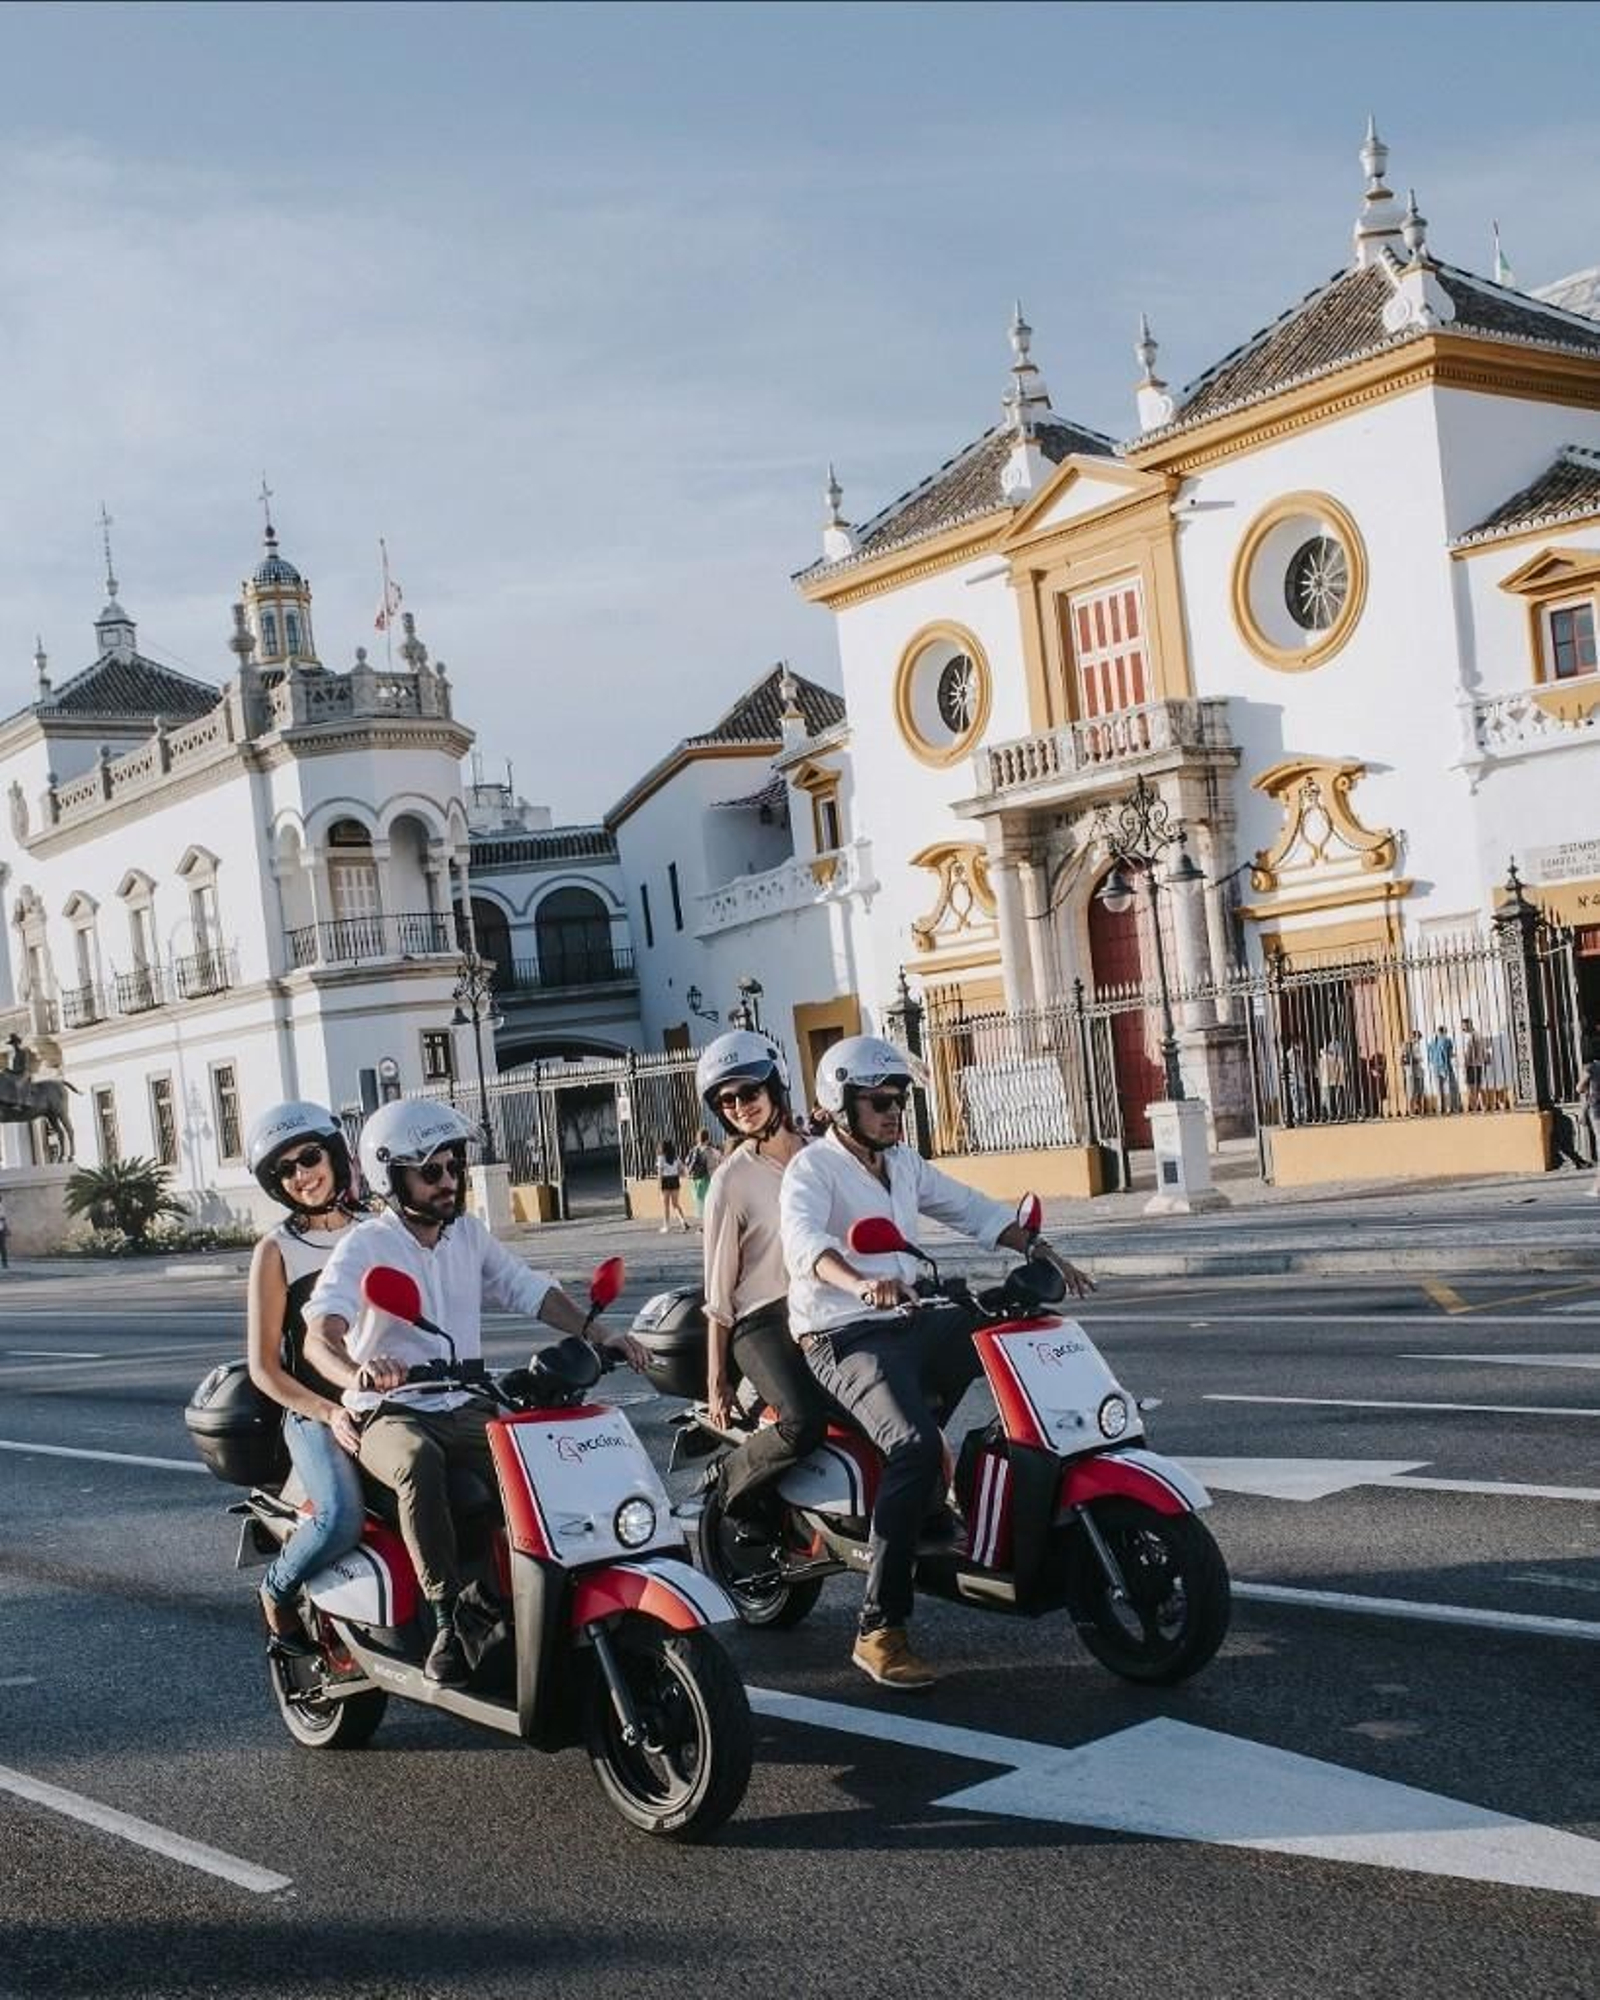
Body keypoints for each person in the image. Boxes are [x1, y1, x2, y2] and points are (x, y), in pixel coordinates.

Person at [779, 1033, 1093, 1692]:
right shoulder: (812, 1169)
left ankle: (980, 1498)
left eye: (899, 1100)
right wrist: (859, 1282)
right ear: (842, 1104)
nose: (894, 1112)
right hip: (841, 1333)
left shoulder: (902, 1164)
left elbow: (970, 1208)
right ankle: (879, 1628)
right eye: (879, 1101)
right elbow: (807, 1244)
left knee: (1005, 1331)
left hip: (905, 1319)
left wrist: (1039, 1249)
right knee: (915, 1447)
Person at [304, 1098, 646, 1685]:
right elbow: (320, 1336)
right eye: (430, 1171)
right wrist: (357, 1372)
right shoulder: (365, 1247)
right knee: (417, 1462)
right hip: (392, 1410)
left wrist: (599, 1332)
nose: (447, 1181)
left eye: (452, 1166)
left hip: (462, 1402)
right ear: (393, 1178)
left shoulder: (468, 1236)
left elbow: (526, 1289)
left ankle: (497, 1597)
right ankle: (444, 1620)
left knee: (542, 1466)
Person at [243, 1102, 370, 1655]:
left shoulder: (377, 1231)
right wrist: (327, 1411)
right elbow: (263, 1366)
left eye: (310, 1157)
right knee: (342, 1518)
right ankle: (276, 1591)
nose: (302, 1175)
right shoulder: (277, 1250)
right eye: (285, 1171)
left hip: (390, 1400)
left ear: (335, 1155)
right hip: (314, 1411)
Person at [696, 1031, 827, 1534]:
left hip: (823, 1308)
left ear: (776, 1087)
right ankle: (727, 1480)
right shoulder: (731, 1181)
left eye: (748, 1092)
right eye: (725, 1101)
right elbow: (719, 1295)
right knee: (802, 1420)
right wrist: (717, 1381)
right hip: (761, 1322)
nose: (739, 1107)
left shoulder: (822, 1156)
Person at [656, 1137, 691, 1233]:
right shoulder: (676, 1157)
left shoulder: (661, 1158)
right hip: (675, 1180)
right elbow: (682, 1167)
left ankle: (666, 1226)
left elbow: (660, 1172)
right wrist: (684, 1174)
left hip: (666, 1180)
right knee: (675, 1204)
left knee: (666, 1205)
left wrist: (659, 1185)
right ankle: (683, 1221)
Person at [687, 1127, 719, 1218]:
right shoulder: (710, 1151)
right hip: (706, 1179)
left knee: (699, 1203)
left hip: (695, 1179)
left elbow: (687, 1163)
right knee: (708, 1202)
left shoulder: (693, 1150)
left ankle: (704, 1224)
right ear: (708, 1138)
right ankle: (707, 1224)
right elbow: (712, 1166)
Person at [1427, 1023, 1460, 1114]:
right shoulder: (1447, 1040)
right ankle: (1450, 1108)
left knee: (1439, 1089)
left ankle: (1440, 1108)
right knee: (1448, 1088)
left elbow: (1430, 1057)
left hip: (1436, 1067)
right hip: (1446, 1067)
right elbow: (1449, 1053)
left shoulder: (1431, 1043)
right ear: (1444, 1031)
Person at [1460, 1016, 1487, 1112]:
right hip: (1478, 1064)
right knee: (1478, 1087)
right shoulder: (1478, 1034)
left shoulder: (1471, 1036)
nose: (1462, 1028)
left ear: (1469, 1025)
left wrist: (1465, 1065)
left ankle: (1474, 1108)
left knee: (1471, 1088)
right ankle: (1483, 1107)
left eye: (1464, 1026)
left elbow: (1470, 1052)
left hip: (1471, 1065)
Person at [1316, 1038, 1347, 1121]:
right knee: (1338, 1098)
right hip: (1337, 1080)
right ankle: (1340, 1114)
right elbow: (1342, 1069)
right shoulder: (1339, 1058)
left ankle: (1330, 1115)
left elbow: (1319, 1071)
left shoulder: (1323, 1058)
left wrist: (1319, 1080)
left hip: (1326, 1082)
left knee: (1328, 1100)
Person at [1401, 1030, 1426, 1115]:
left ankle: (1420, 1110)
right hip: (1410, 1071)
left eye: (1419, 1038)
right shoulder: (1407, 1045)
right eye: (1417, 1038)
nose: (1418, 1040)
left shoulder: (1420, 1046)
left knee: (1419, 1091)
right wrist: (1414, 1060)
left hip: (1419, 1070)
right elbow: (1403, 1059)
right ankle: (1411, 1111)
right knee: (1411, 1092)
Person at [0, 1189, 9, 1271]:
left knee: (3, 1246)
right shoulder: (1, 1206)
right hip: (1, 1228)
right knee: (3, 1246)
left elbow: (3, 1217)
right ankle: (4, 1263)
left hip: (1, 1229)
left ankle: (4, 1262)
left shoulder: (1, 1206)